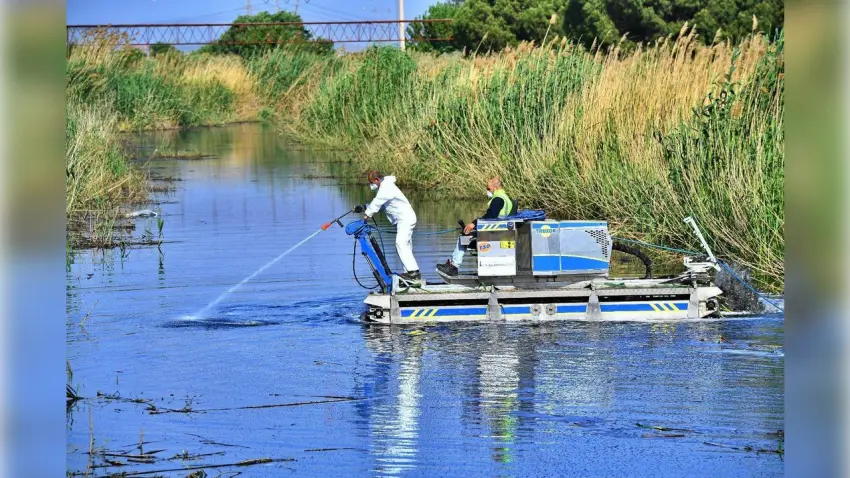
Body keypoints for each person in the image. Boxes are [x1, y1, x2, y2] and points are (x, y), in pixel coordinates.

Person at [437, 177, 513, 276]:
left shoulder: (498, 199)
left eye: (489, 188)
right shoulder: (507, 198)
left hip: (493, 234)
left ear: (496, 188)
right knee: (467, 236)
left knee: (463, 238)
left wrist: (473, 224)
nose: (487, 191)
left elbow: (490, 217)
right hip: (501, 232)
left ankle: (454, 266)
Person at [358, 170, 421, 283]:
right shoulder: (385, 187)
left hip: (405, 219)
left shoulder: (386, 188)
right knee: (405, 245)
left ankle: (414, 272)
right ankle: (409, 273)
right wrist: (364, 207)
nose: (371, 185)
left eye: (372, 182)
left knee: (400, 243)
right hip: (403, 220)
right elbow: (382, 205)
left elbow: (377, 203)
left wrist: (366, 215)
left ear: (377, 180)